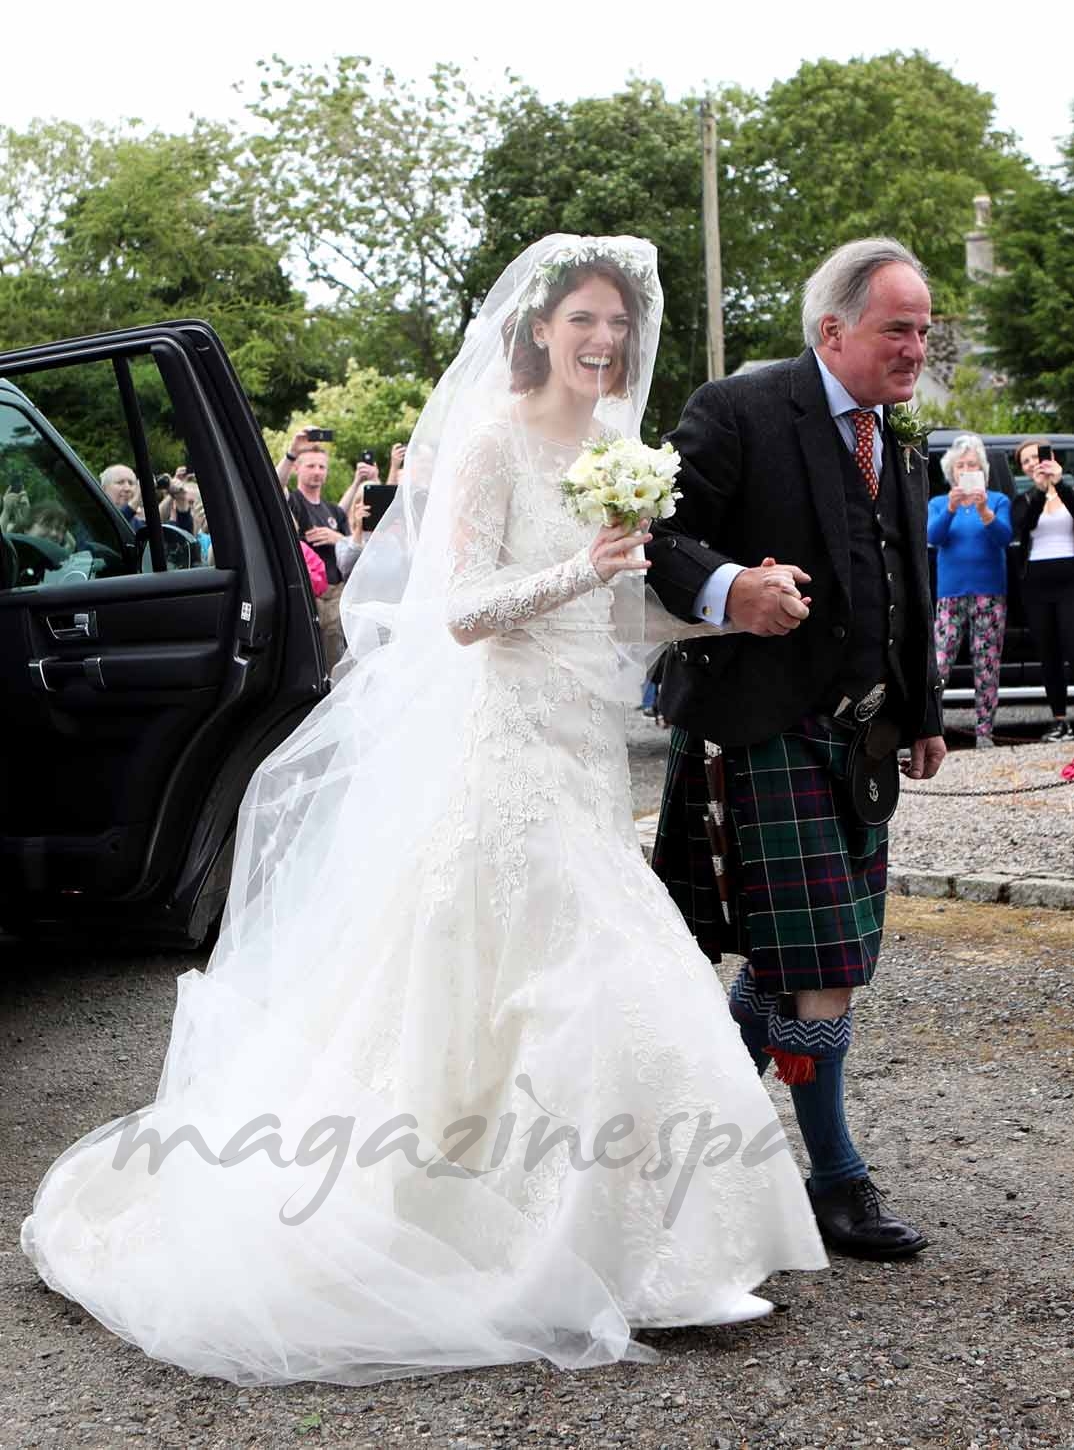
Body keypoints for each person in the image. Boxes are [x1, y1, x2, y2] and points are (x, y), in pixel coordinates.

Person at [22, 234, 826, 1388]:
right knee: (577, 965)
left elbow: (614, 617)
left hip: (584, 749)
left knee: (596, 969)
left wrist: (720, 615)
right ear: (541, 328)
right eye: (584, 321)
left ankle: (647, 1246)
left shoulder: (617, 449)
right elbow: (456, 612)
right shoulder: (494, 439)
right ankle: (533, 1244)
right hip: (501, 749)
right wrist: (585, 569)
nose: (604, 342)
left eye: (619, 326)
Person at [649, 237, 947, 1262]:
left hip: (860, 740)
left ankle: (690, 1154)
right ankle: (836, 1180)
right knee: (820, 970)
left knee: (795, 968)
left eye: (922, 328)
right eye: (897, 327)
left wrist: (924, 710)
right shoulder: (740, 408)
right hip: (761, 724)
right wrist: (731, 588)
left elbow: (907, 582)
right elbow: (659, 538)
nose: (916, 346)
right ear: (833, 330)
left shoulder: (895, 440)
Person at [927, 432, 1013, 747]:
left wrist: (984, 511)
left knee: (987, 663)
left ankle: (984, 733)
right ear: (952, 471)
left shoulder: (997, 500)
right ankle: (929, 731)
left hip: (989, 593)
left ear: (982, 470)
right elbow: (933, 538)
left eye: (972, 464)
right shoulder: (938, 502)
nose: (967, 469)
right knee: (939, 663)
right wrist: (950, 509)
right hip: (950, 594)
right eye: (961, 464)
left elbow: (1004, 537)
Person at [1011, 439, 1074, 741]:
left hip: (1070, 581)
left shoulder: (1068, 492)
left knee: (1072, 644)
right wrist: (1039, 491)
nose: (1034, 463)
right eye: (1026, 461)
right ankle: (1059, 719)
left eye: (1038, 456)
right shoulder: (1023, 499)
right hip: (1036, 584)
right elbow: (1023, 525)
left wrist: (1059, 485)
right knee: (1048, 653)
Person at [286, 448, 354, 670]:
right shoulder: (292, 503)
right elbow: (274, 487)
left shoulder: (334, 511)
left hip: (336, 596)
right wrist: (290, 454)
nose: (317, 471)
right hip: (306, 595)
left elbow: (356, 551)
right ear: (297, 469)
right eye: (310, 465)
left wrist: (338, 539)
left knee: (335, 664)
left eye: (322, 466)